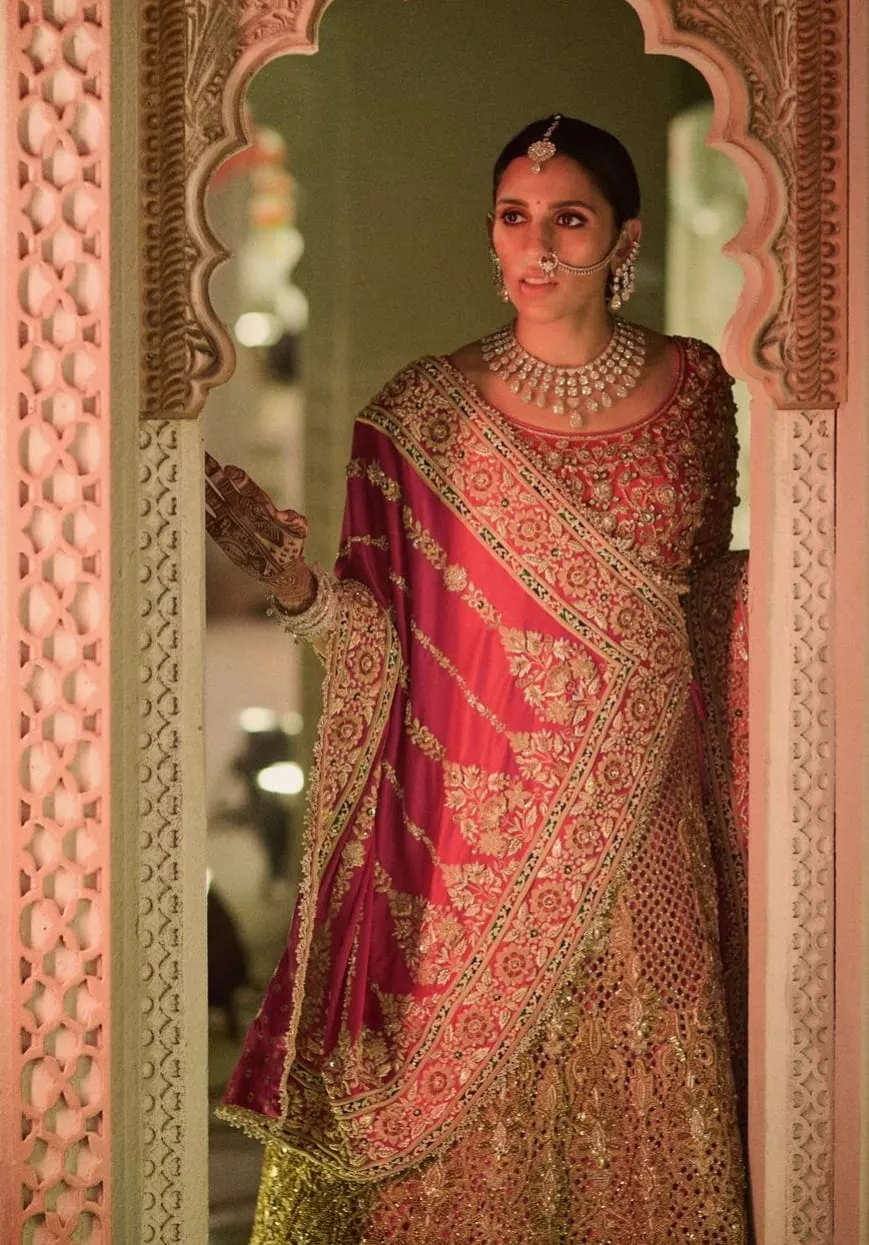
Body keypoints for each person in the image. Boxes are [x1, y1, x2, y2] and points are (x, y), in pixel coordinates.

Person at [205, 115, 750, 1244]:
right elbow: (382, 645)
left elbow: (713, 605)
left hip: (647, 818)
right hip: (473, 843)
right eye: (514, 216)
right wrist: (296, 587)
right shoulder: (421, 416)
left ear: (624, 237)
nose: (537, 246)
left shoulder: (694, 386)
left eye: (568, 219)